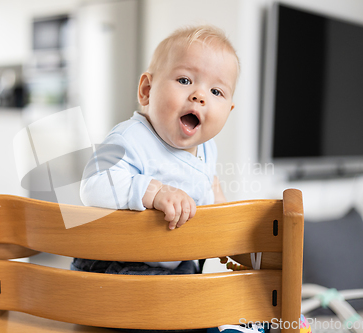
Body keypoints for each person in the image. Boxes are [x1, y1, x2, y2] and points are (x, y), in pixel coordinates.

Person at [72, 25, 239, 276]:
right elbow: (92, 184)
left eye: (216, 91)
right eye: (185, 80)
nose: (200, 96)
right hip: (113, 263)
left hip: (170, 261)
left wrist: (224, 220)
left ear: (228, 111)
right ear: (147, 90)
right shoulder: (129, 137)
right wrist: (154, 190)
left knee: (208, 287)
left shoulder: (207, 149)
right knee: (189, 303)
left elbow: (203, 193)